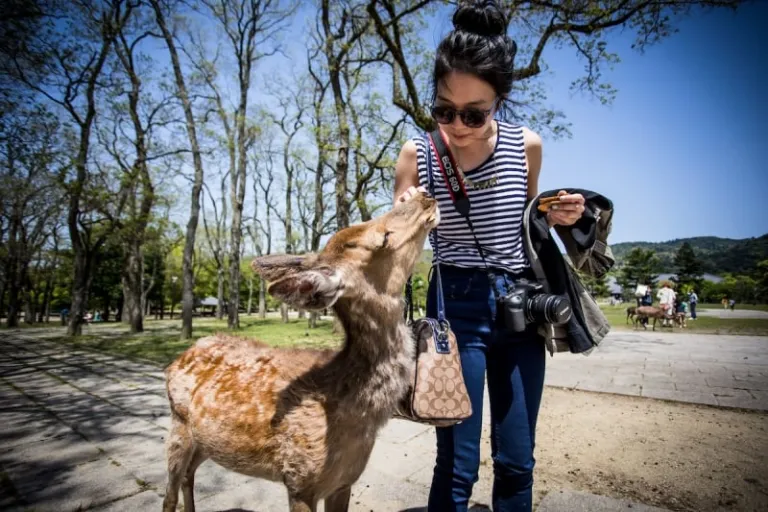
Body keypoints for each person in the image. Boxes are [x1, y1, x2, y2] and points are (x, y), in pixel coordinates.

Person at [393, 2, 586, 510]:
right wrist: (406, 213)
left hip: (520, 307)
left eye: (474, 113)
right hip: (454, 309)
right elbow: (398, 234)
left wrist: (559, 216)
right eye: (443, 110)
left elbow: (527, 223)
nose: (457, 124)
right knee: (456, 469)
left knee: (518, 461)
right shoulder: (418, 154)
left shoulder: (527, 147)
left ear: (500, 99)